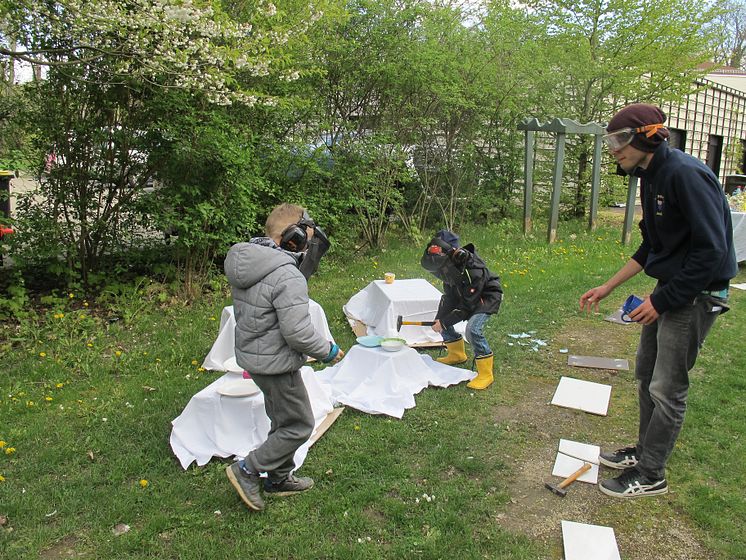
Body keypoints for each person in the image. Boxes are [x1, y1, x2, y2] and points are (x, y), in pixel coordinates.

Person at [580, 103, 737, 499]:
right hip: (670, 290)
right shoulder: (649, 175)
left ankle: (652, 474)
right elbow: (652, 245)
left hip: (695, 296)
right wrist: (608, 286)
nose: (614, 150)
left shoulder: (685, 174)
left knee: (667, 388)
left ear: (647, 136)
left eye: (619, 140)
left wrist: (662, 300)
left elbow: (711, 251)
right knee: (646, 377)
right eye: (610, 142)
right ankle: (644, 452)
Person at [224, 203, 344, 512]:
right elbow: (298, 332)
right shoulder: (286, 274)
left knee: (282, 421)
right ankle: (247, 470)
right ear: (293, 237)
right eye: (306, 234)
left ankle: (278, 478)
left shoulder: (251, 261)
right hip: (277, 363)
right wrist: (328, 351)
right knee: (299, 424)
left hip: (256, 359)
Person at [420, 229, 503, 390]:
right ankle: (457, 354)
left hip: (484, 298)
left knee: (473, 329)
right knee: (442, 317)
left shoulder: (472, 270)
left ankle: (486, 373)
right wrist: (441, 319)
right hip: (466, 296)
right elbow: (450, 297)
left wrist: (445, 322)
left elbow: (467, 307)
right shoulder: (450, 271)